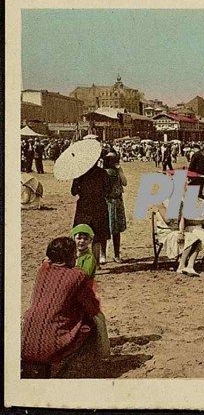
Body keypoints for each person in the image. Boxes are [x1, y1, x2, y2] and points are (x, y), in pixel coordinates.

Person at [21, 237, 103, 378]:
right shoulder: (78, 276)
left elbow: (47, 263)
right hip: (51, 345)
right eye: (74, 253)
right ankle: (77, 369)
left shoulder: (43, 271)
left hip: (26, 343)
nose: (76, 255)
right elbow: (93, 308)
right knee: (92, 324)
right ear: (69, 256)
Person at [71, 159, 111, 265]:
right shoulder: (102, 173)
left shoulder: (79, 173)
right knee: (98, 236)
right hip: (99, 206)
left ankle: (81, 263)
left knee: (81, 234)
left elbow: (73, 191)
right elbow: (108, 190)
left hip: (83, 208)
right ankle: (96, 264)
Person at [104, 153, 128, 262]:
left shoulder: (117, 172)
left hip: (117, 202)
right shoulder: (105, 173)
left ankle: (116, 254)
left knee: (116, 230)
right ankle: (103, 254)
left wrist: (120, 170)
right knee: (105, 229)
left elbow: (125, 182)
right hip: (108, 202)